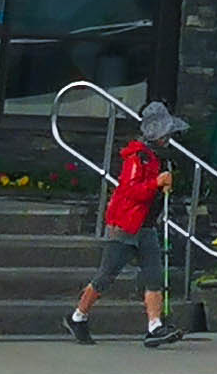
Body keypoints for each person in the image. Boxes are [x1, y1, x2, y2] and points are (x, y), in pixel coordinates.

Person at [69, 101, 184, 347]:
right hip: (125, 225)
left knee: (154, 275)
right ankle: (78, 315)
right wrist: (156, 183)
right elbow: (131, 191)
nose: (168, 138)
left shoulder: (155, 159)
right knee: (106, 275)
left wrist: (162, 186)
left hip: (146, 226)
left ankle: (155, 325)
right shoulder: (137, 157)